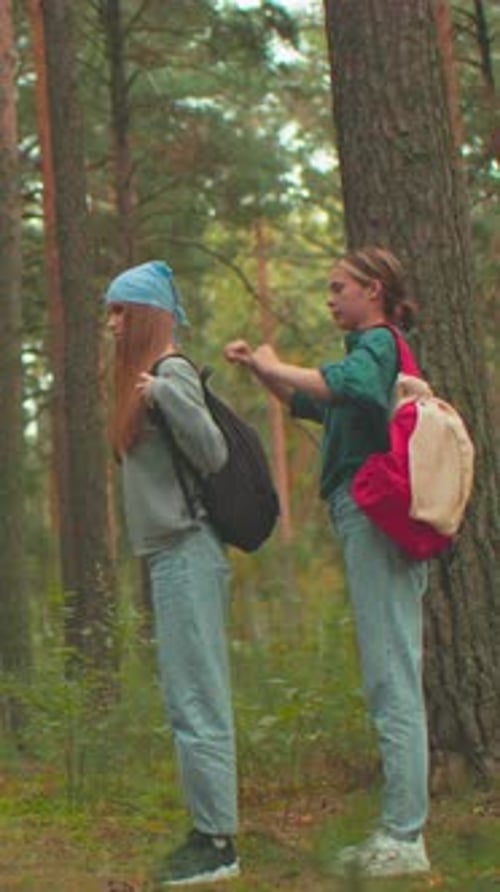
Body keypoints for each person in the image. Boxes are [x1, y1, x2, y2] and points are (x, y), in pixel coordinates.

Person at [224, 246, 430, 878]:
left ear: (373, 289)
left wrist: (274, 360)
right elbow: (315, 402)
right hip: (363, 513)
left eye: (339, 286)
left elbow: (344, 385)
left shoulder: (376, 343)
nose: (330, 297)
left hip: (374, 513)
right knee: (387, 667)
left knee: (392, 671)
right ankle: (399, 831)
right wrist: (266, 374)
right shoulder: (363, 352)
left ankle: (405, 837)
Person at [105, 260, 240, 887]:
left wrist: (163, 395)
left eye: (119, 312)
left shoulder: (170, 372)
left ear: (146, 316)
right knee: (185, 696)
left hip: (189, 548)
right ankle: (206, 829)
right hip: (171, 554)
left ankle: (218, 844)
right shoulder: (146, 380)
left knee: (197, 697)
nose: (110, 325)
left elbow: (211, 449)